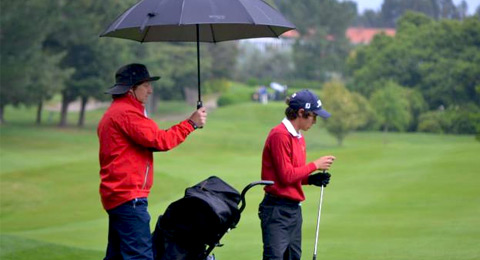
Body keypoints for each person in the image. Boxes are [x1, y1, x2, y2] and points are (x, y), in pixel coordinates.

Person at [97, 63, 207, 260]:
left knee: (116, 256)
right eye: (146, 85)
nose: (150, 90)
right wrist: (190, 123)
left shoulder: (119, 111)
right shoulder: (126, 113)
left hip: (119, 195)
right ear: (131, 89)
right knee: (140, 256)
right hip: (128, 196)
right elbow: (160, 140)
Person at [258, 89, 336, 260]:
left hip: (293, 211)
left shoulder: (298, 137)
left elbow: (292, 175)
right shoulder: (280, 135)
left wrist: (310, 180)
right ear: (301, 113)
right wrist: (315, 165)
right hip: (276, 211)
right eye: (313, 116)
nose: (315, 121)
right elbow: (286, 176)